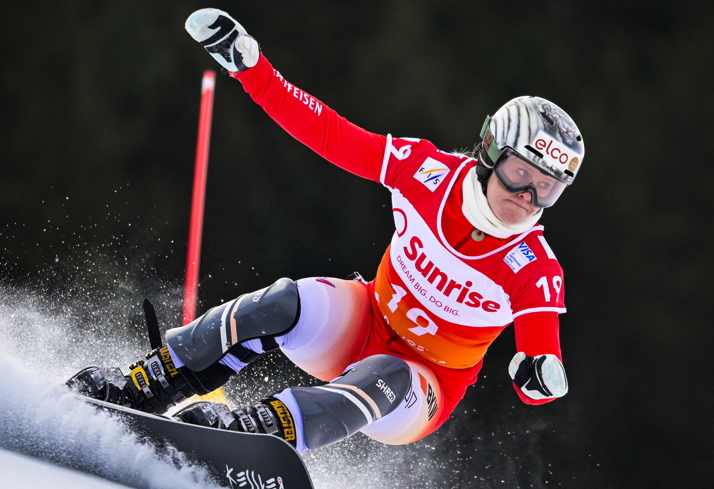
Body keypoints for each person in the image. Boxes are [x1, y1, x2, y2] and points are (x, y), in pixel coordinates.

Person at [66, 8, 584, 452]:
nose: (528, 198)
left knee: (389, 372)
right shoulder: (425, 172)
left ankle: (254, 433)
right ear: (490, 154)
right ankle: (144, 386)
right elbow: (332, 135)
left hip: (422, 388)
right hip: (365, 323)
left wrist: (537, 377)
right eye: (521, 174)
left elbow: (542, 357)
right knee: (281, 304)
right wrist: (254, 70)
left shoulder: (534, 267)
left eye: (547, 188)